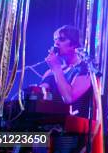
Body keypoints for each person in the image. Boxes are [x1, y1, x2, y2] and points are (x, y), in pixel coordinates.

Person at [40, 25, 102, 153]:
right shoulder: (51, 72)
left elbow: (69, 97)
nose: (56, 43)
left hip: (72, 135)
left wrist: (56, 69)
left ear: (74, 45)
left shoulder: (85, 69)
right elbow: (39, 95)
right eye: (55, 40)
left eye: (62, 39)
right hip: (47, 130)